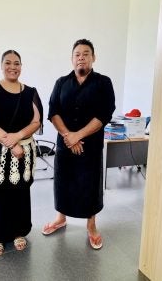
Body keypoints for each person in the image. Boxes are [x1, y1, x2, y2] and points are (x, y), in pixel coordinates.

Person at [42, 39, 115, 249]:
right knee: (63, 181)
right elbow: (53, 111)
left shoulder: (103, 82)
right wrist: (68, 136)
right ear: (72, 59)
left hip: (90, 146)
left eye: (85, 53)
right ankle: (60, 218)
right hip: (65, 144)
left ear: (93, 57)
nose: (81, 57)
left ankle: (91, 225)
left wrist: (79, 135)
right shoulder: (61, 82)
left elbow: (104, 113)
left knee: (89, 183)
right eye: (77, 54)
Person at [0, 49, 43, 256]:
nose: (12, 67)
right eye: (8, 63)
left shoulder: (31, 91)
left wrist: (19, 136)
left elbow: (37, 121)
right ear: (1, 65)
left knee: (20, 192)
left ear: (21, 66)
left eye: (17, 63)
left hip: (24, 150)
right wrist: (10, 142)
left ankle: (18, 232)